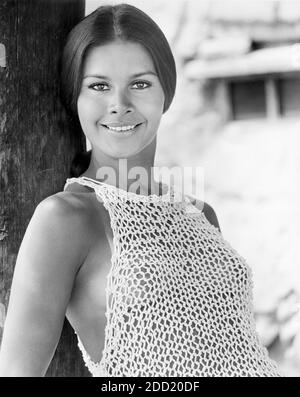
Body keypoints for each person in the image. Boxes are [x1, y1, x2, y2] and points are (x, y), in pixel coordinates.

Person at [0, 3, 282, 377]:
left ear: (167, 91)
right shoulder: (66, 218)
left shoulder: (200, 213)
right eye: (99, 86)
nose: (119, 105)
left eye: (140, 84)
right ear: (75, 97)